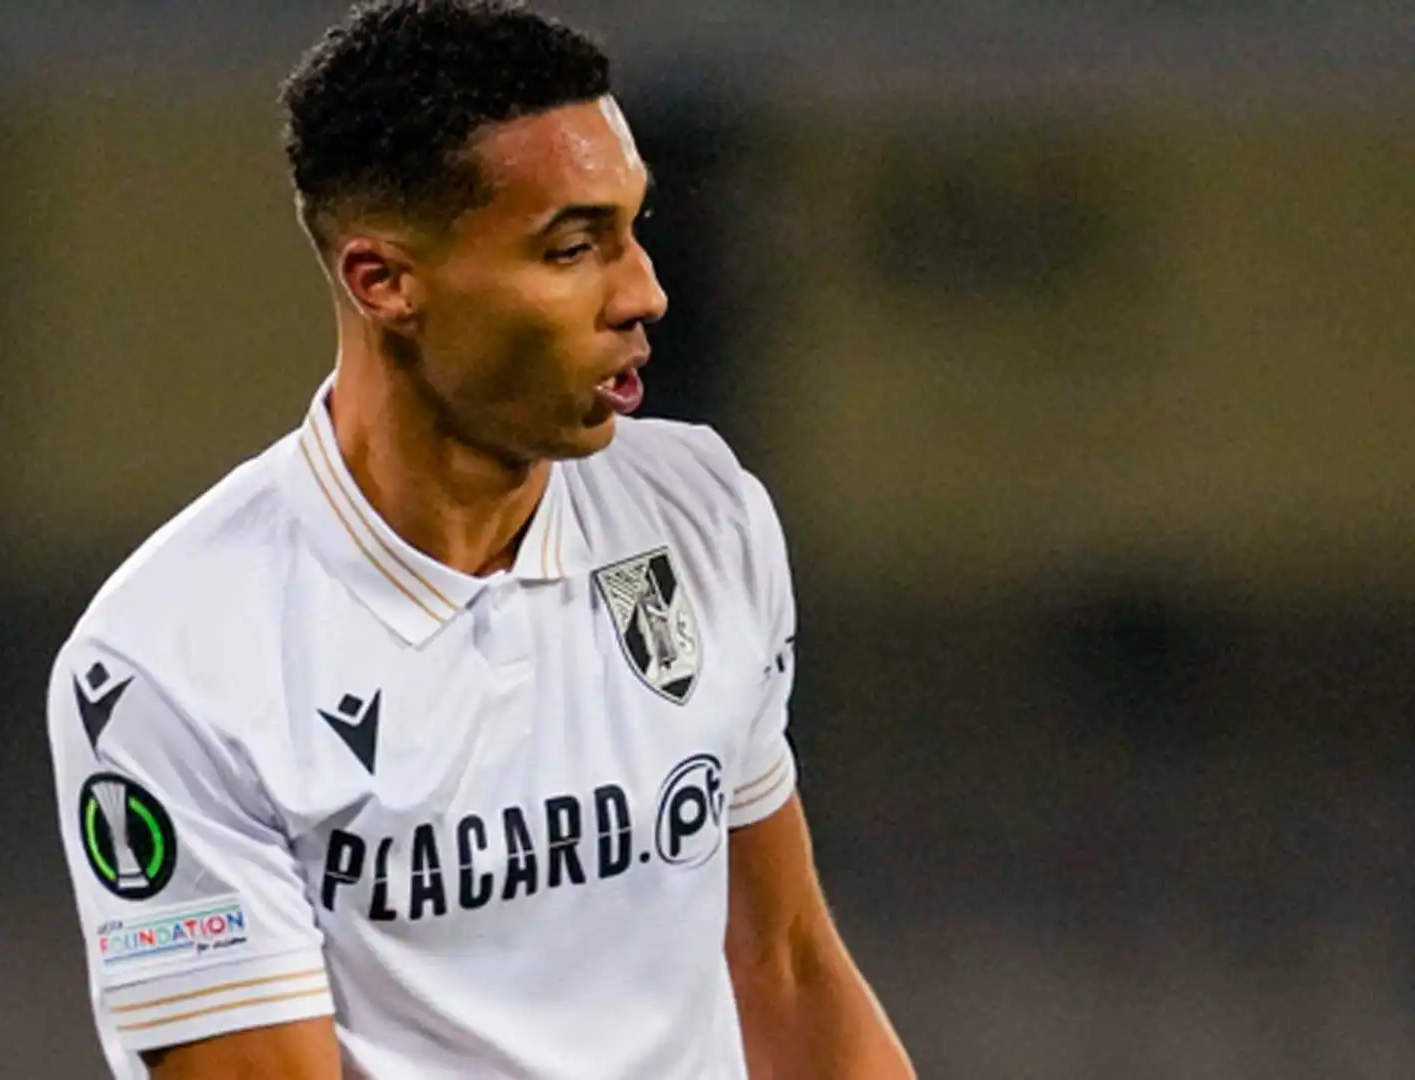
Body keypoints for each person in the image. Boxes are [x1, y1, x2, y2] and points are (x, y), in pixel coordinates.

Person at [45, 1, 915, 1076]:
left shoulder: (699, 513)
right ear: (384, 281)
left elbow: (782, 963)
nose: (643, 290)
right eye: (573, 247)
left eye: (634, 228)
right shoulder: (171, 662)